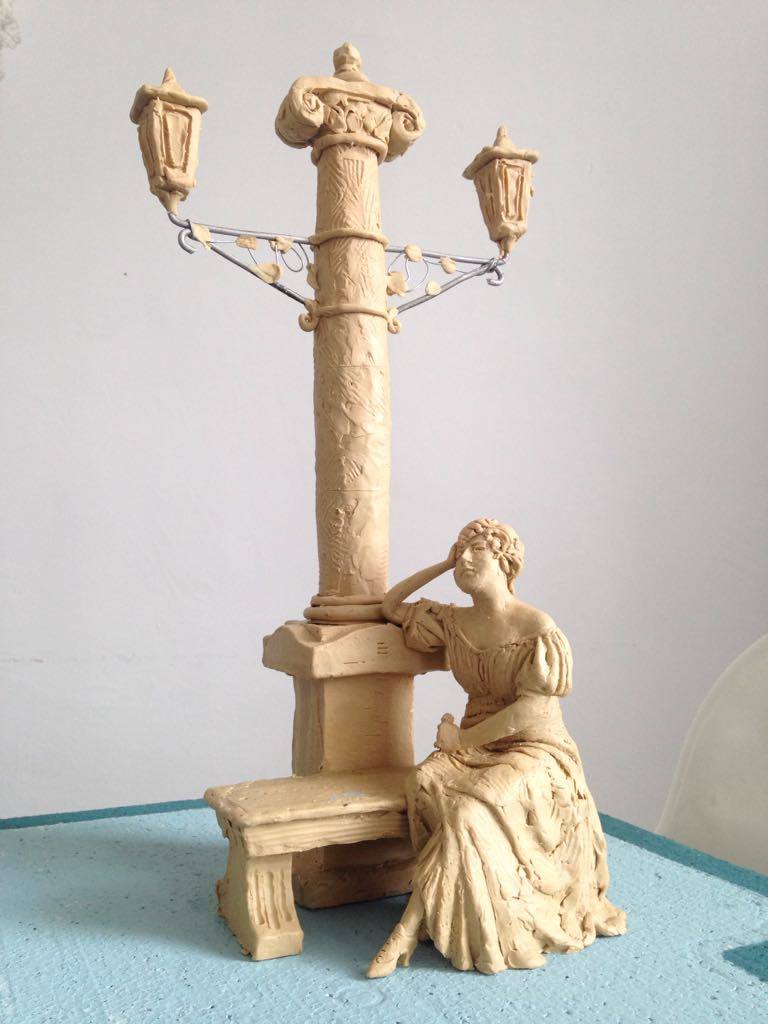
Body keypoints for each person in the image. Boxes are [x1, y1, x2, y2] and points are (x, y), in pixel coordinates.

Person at [366, 518, 627, 977]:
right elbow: (390, 605)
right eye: (459, 553)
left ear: (505, 562)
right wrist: (442, 563)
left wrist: (459, 739)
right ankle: (438, 911)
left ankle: (407, 928)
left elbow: (530, 711)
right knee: (423, 781)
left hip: (535, 749)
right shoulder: (454, 621)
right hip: (474, 747)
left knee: (469, 811)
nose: (463, 561)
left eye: (476, 552)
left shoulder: (536, 626)